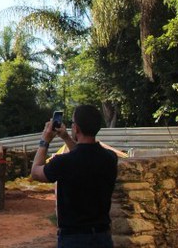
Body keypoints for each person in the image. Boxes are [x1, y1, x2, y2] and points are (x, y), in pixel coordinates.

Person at [30, 104, 118, 248]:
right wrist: (65, 137)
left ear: (76, 128)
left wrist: (45, 140)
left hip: (73, 238)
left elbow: (35, 172)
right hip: (103, 237)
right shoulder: (110, 158)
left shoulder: (63, 162)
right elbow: (84, 155)